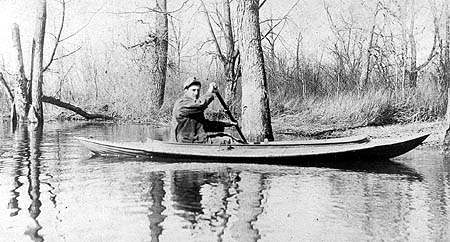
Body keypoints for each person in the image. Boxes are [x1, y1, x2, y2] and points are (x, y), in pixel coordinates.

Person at [170, 77, 237, 143]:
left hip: (196, 140)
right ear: (186, 91)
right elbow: (200, 104)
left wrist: (227, 124)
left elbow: (205, 125)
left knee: (227, 136)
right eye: (193, 90)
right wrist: (209, 92)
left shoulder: (193, 106)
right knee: (229, 140)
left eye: (198, 90)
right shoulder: (182, 104)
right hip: (187, 143)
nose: (196, 93)